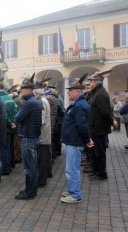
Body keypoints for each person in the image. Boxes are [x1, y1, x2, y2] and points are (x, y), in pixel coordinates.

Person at [60, 74, 93, 203]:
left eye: (70, 91)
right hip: (73, 140)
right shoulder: (78, 104)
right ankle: (73, 190)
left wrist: (87, 140)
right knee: (72, 168)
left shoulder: (79, 105)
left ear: (77, 92)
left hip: (75, 141)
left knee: (72, 169)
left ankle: (75, 195)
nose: (68, 93)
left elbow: (82, 125)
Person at [14, 73, 42, 200]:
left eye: (23, 89)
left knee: (30, 167)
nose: (20, 91)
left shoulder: (29, 103)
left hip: (28, 137)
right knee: (33, 166)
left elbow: (18, 117)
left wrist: (18, 113)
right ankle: (31, 190)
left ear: (29, 90)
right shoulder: (32, 101)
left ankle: (29, 192)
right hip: (32, 136)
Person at [88, 70, 117, 181]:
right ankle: (97, 171)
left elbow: (104, 111)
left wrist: (112, 121)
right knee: (96, 152)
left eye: (91, 81)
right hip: (96, 127)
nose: (89, 83)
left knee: (99, 152)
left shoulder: (100, 93)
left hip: (99, 128)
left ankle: (101, 173)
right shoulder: (97, 92)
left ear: (96, 82)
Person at [33, 78, 51, 188]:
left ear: (35, 92)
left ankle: (41, 180)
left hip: (42, 136)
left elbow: (41, 121)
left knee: (41, 160)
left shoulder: (41, 102)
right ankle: (41, 179)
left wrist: (35, 134)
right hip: (44, 135)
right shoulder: (43, 100)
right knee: (42, 159)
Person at [0, 84, 17, 175]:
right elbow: (15, 112)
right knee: (8, 147)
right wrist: (13, 122)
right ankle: (9, 166)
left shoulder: (1, 99)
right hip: (11, 127)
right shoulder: (11, 99)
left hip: (5, 127)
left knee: (3, 148)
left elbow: (4, 115)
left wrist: (10, 123)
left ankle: (5, 168)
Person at [8, 87, 23, 164]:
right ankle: (18, 156)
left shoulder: (16, 101)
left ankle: (17, 157)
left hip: (17, 124)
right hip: (19, 123)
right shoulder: (18, 100)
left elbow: (16, 112)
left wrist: (14, 123)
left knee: (16, 142)